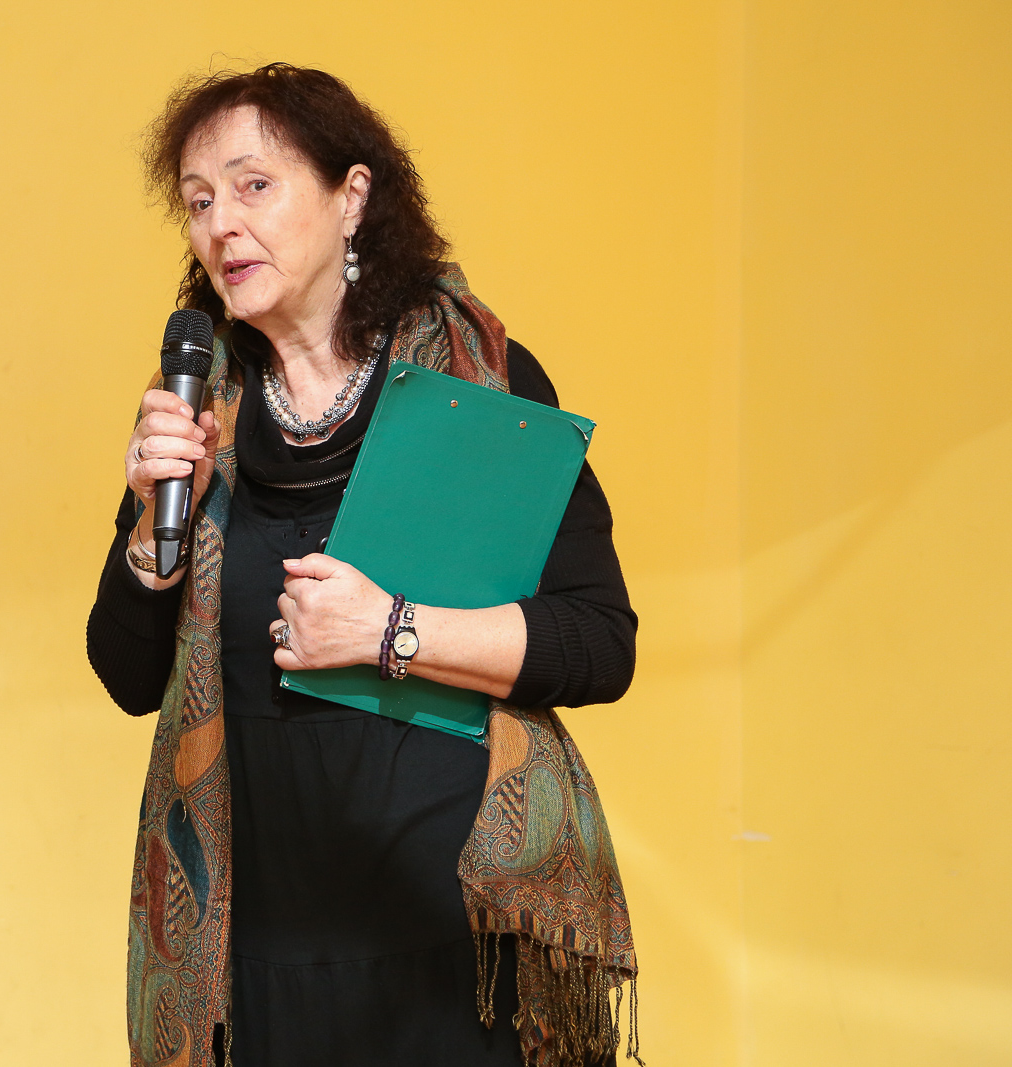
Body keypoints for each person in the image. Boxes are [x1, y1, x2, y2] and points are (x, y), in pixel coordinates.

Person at [87, 64, 641, 1067]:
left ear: (351, 197)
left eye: (254, 186)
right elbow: (127, 675)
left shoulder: (477, 381)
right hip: (259, 953)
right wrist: (149, 523)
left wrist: (389, 631)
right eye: (200, 202)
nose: (221, 225)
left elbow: (599, 641)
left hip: (456, 942)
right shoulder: (203, 412)